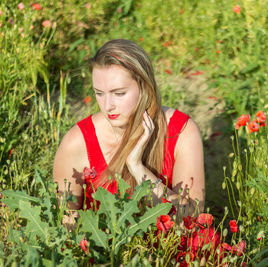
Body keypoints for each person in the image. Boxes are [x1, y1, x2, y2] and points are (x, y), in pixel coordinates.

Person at [53, 39, 205, 223]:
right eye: (99, 93)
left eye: (119, 93)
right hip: (107, 247)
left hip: (171, 246)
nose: (108, 106)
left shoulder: (181, 132)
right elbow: (65, 220)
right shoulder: (78, 141)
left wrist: (137, 168)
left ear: (144, 88)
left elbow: (191, 217)